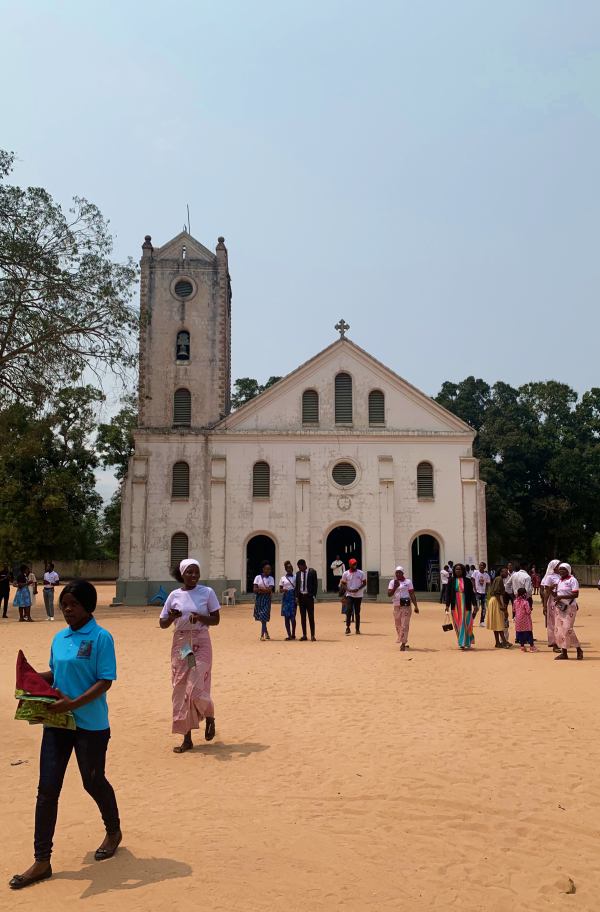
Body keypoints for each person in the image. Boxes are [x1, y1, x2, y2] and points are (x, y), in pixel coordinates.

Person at [9, 580, 121, 891]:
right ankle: (42, 860)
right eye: (64, 605)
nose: (67, 610)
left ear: (89, 606)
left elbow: (105, 681)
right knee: (47, 790)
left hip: (91, 724)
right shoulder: (59, 638)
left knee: (93, 781)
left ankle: (113, 831)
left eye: (73, 604)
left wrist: (73, 703)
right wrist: (30, 681)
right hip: (57, 723)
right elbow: (57, 674)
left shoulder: (101, 637)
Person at [159, 559, 220, 752]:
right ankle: (187, 739)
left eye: (196, 572)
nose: (194, 576)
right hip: (184, 645)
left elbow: (216, 619)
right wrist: (172, 617)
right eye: (190, 572)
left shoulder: (207, 593)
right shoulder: (174, 595)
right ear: (182, 574)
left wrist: (200, 617)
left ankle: (209, 715)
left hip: (200, 642)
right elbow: (162, 623)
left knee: (195, 685)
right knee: (182, 687)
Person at [552, 563, 583, 661]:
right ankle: (564, 652)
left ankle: (578, 649)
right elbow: (557, 593)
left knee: (567, 629)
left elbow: (576, 594)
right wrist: (550, 590)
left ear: (568, 570)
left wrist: (561, 597)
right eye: (560, 569)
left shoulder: (572, 580)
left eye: (563, 569)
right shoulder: (559, 580)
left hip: (569, 607)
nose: (561, 571)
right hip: (560, 607)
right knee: (559, 630)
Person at [445, 562, 477, 650]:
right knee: (458, 623)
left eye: (459, 569)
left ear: (463, 570)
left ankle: (467, 640)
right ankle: (462, 642)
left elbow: (472, 593)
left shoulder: (467, 580)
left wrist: (475, 604)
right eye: (456, 569)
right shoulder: (451, 580)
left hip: (466, 603)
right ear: (454, 571)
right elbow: (448, 593)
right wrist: (447, 605)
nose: (458, 571)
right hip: (455, 605)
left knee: (467, 622)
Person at [387, 566, 419, 651]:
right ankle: (402, 639)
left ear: (402, 573)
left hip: (406, 605)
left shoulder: (408, 582)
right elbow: (389, 594)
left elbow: (412, 594)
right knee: (398, 624)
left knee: (405, 624)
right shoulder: (392, 582)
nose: (398, 574)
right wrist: (395, 587)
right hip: (396, 605)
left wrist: (416, 606)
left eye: (399, 572)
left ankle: (403, 643)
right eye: (396, 572)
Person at [340, 558, 366, 635]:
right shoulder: (345, 573)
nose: (355, 565)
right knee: (348, 610)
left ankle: (357, 629)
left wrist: (358, 588)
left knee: (357, 612)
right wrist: (348, 589)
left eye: (355, 564)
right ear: (350, 565)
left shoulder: (361, 573)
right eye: (353, 564)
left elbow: (364, 583)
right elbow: (343, 584)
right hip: (349, 595)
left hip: (358, 595)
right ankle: (348, 627)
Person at [295, 559, 318, 641]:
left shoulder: (312, 572)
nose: (299, 569)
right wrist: (297, 596)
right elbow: (297, 586)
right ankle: (304, 635)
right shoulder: (298, 574)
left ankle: (312, 635)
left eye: (300, 567)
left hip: (309, 597)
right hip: (301, 597)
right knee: (303, 617)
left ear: (304, 565)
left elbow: (315, 584)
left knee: (311, 616)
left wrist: (313, 595)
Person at [541, 559, 561, 652]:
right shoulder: (549, 577)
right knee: (553, 622)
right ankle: (554, 643)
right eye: (558, 565)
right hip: (553, 601)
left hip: (561, 601)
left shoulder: (561, 576)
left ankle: (559, 641)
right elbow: (546, 592)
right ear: (553, 567)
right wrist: (544, 606)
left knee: (560, 621)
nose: (560, 567)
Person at [486, 575, 511, 648]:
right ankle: (504, 642)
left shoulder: (497, 579)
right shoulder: (499, 578)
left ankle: (498, 642)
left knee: (496, 623)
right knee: (499, 622)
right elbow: (497, 593)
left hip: (494, 601)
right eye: (504, 571)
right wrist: (501, 605)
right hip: (497, 601)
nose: (506, 572)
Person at [253, 561, 274, 641]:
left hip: (267, 599)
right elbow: (254, 589)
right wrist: (264, 590)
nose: (269, 571)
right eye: (267, 569)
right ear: (263, 569)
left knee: (264, 616)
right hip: (259, 599)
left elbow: (270, 590)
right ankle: (266, 632)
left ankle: (262, 635)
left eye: (270, 569)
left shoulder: (271, 578)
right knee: (261, 617)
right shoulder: (257, 577)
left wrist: (260, 589)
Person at [513, 587, 537, 652]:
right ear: (524, 594)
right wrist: (530, 609)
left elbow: (514, 610)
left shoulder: (515, 601)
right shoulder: (525, 602)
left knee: (520, 632)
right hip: (526, 620)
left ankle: (522, 646)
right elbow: (528, 611)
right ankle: (532, 646)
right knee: (529, 632)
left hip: (518, 620)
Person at [279, 561, 297, 640]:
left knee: (293, 617)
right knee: (286, 617)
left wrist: (297, 598)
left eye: (291, 567)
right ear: (286, 569)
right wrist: (284, 590)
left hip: (293, 597)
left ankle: (293, 634)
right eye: (288, 568)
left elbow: (297, 587)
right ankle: (289, 635)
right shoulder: (282, 578)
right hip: (286, 598)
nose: (290, 569)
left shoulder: (295, 577)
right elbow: (280, 589)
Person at [472, 561, 491, 626]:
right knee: (476, 607)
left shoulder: (486, 575)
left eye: (482, 565)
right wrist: (474, 588)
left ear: (484, 567)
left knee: (484, 608)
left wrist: (486, 591)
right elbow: (473, 580)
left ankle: (482, 621)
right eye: (480, 565)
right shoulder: (475, 572)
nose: (481, 566)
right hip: (477, 592)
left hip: (483, 593)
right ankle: (472, 620)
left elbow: (488, 583)